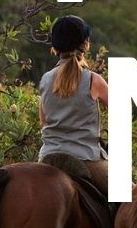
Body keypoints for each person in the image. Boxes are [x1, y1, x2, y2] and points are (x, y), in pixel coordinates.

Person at [38, 15, 110, 196]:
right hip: (85, 157)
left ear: (55, 47)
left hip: (48, 156)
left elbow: (44, 121)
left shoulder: (46, 80)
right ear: (86, 44)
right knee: (133, 200)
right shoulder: (94, 80)